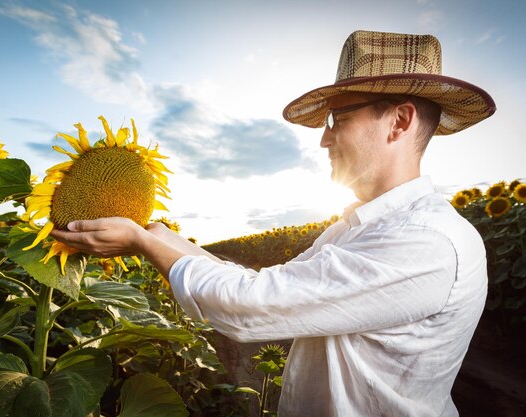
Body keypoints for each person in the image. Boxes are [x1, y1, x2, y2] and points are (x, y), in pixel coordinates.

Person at [51, 30, 496, 417]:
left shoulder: (425, 241)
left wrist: (144, 246)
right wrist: (164, 238)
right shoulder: (359, 227)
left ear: (399, 121)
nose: (323, 139)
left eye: (338, 119)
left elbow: (252, 307)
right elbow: (267, 284)